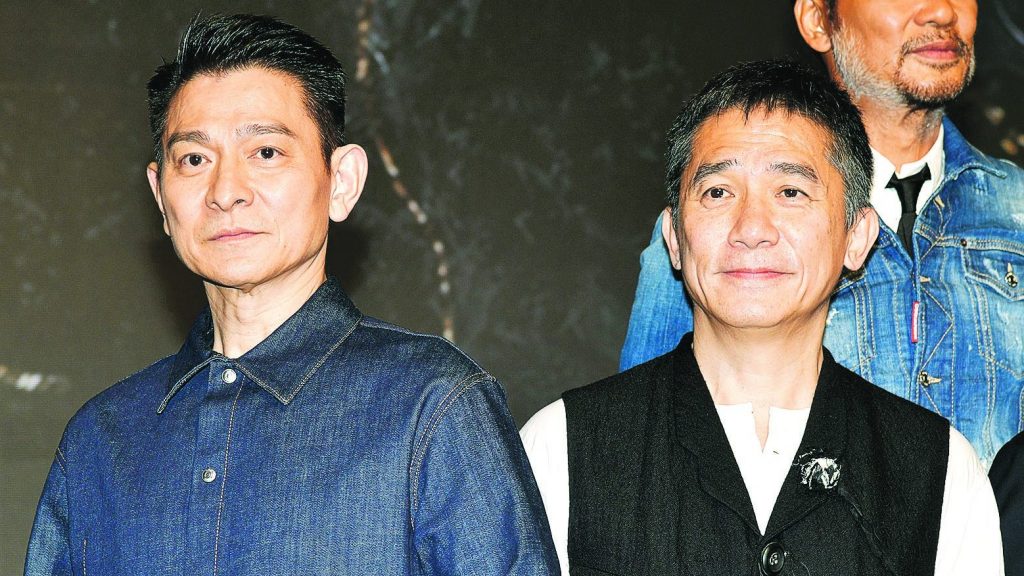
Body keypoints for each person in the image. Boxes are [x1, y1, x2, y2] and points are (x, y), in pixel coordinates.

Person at [25, 14, 558, 575]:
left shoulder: (433, 405)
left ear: (342, 182)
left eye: (266, 153)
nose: (226, 192)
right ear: (161, 196)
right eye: (195, 159)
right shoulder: (99, 440)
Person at [521, 59, 1001, 575]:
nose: (751, 229)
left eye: (791, 192)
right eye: (718, 192)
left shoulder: (941, 471)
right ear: (674, 237)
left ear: (857, 236)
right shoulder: (561, 447)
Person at [619, 0, 1024, 466]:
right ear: (817, 19)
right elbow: (640, 448)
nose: (940, 11)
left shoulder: (1015, 208)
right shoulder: (717, 238)